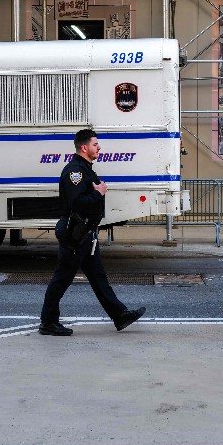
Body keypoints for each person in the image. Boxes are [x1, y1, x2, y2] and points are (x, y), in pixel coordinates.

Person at [38, 129, 147, 336]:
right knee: (62, 279)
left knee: (98, 277)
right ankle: (48, 322)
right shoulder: (75, 172)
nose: (99, 148)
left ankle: (120, 315)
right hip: (75, 236)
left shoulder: (86, 169)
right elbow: (76, 203)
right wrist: (98, 194)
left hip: (86, 235)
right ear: (84, 147)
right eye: (96, 145)